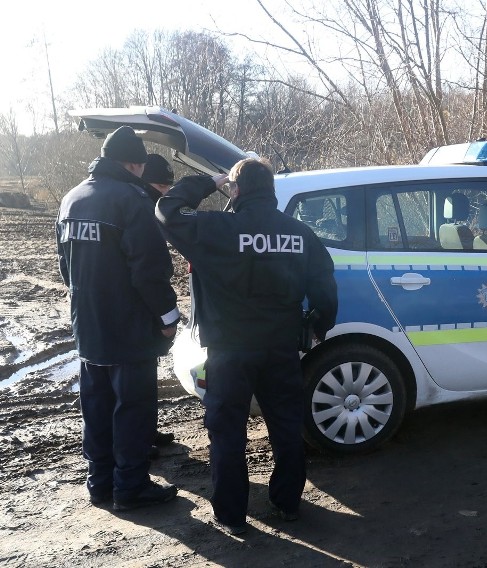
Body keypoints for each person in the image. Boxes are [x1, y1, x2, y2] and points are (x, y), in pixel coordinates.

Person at [155, 157, 337, 535]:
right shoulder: (299, 233)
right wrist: (320, 329)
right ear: (271, 191)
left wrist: (209, 181)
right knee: (286, 428)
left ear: (235, 191)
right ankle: (287, 504)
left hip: (229, 351)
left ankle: (231, 514)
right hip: (281, 348)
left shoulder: (216, 228)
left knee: (227, 433)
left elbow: (166, 210)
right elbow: (324, 287)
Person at [56, 126, 180, 511]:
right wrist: (168, 316)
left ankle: (100, 482)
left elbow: (65, 269)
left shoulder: (71, 200)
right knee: (132, 408)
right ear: (133, 164)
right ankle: (130, 487)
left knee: (95, 406)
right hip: (128, 329)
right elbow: (150, 270)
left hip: (88, 326)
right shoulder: (132, 201)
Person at [140, 153, 178, 454]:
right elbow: (151, 270)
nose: (165, 192)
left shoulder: (142, 203)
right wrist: (168, 318)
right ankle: (137, 443)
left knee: (144, 377)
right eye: (161, 185)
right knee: (132, 385)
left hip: (139, 311)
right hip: (136, 311)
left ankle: (146, 432)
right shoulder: (138, 208)